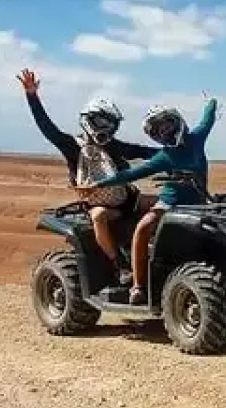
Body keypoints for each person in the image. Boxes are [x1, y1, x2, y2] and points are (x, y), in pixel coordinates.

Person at [16, 68, 158, 285]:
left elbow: (142, 151)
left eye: (111, 124)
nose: (108, 129)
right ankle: (118, 264)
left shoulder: (113, 145)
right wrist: (32, 96)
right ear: (90, 120)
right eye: (103, 122)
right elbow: (48, 129)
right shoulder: (73, 146)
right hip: (99, 206)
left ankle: (159, 254)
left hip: (128, 200)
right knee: (98, 217)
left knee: (167, 204)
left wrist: (171, 154)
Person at [76, 95, 219, 305]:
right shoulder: (164, 156)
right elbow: (131, 175)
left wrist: (211, 102)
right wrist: (98, 185)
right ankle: (137, 286)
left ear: (175, 120)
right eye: (157, 130)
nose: (164, 132)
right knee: (143, 228)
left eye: (165, 125)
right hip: (169, 203)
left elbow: (208, 118)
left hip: (198, 203)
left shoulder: (197, 138)